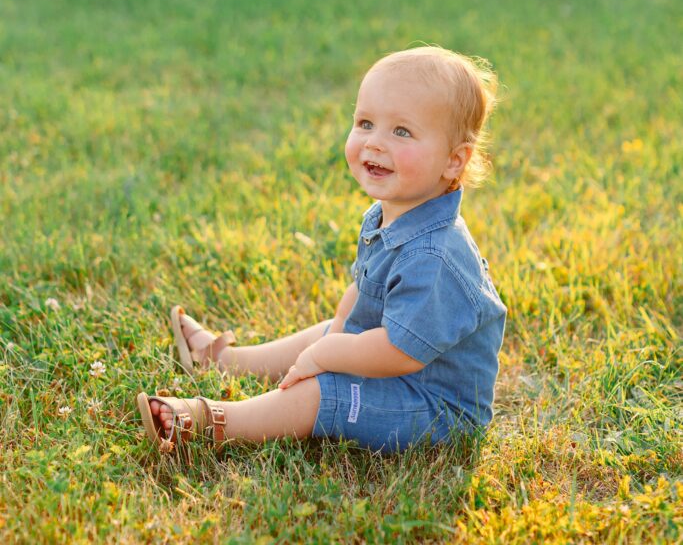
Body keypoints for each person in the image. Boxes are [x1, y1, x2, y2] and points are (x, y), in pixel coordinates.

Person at [137, 46, 507, 455]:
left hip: (435, 409)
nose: (375, 143)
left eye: (401, 131)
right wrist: (336, 333)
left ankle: (213, 421)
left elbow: (401, 353)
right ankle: (227, 361)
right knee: (331, 331)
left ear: (454, 162)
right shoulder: (387, 215)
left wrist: (330, 352)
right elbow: (363, 293)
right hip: (398, 375)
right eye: (365, 123)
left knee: (322, 389)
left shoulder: (436, 256)